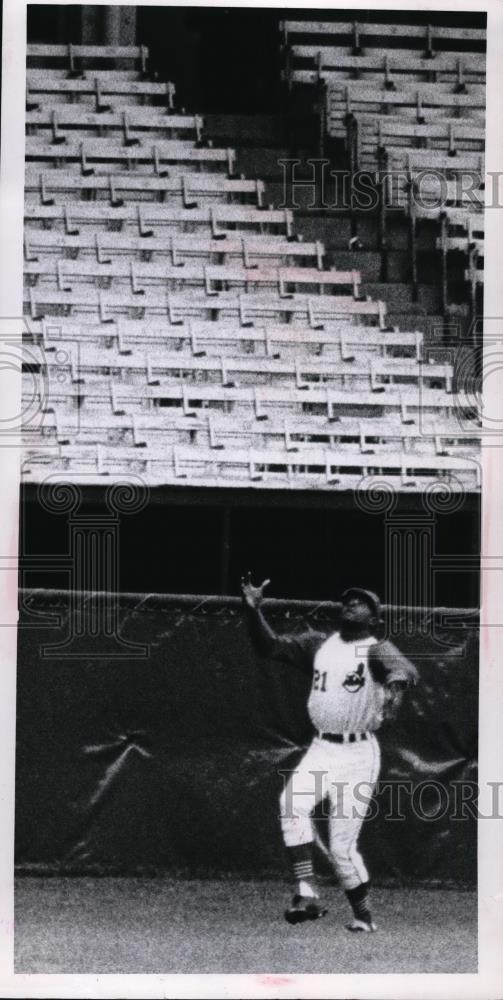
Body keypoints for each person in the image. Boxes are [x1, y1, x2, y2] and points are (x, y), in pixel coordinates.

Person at [241, 572, 418, 931]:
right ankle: (306, 893)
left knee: (341, 850)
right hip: (322, 747)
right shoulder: (319, 644)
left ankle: (363, 916)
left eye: (361, 602)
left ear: (375, 617)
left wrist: (395, 688)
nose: (351, 604)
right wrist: (252, 610)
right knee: (291, 804)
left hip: (358, 756)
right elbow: (269, 647)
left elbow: (404, 669)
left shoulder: (376, 647)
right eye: (348, 600)